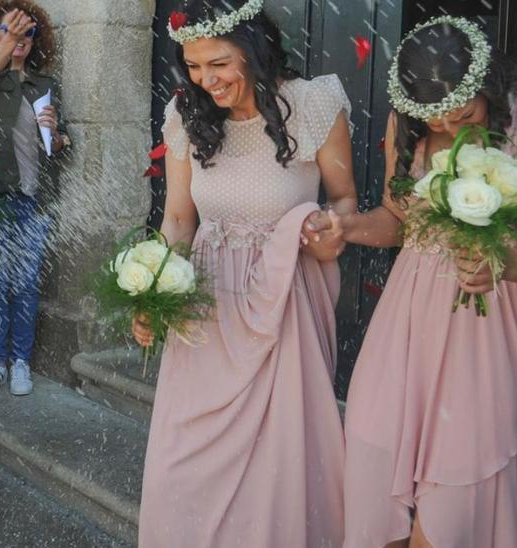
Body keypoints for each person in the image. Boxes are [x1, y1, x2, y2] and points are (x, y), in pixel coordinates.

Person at [330, 16, 517, 548]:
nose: (447, 125)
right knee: (373, 450)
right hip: (405, 323)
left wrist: (502, 264)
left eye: (462, 112)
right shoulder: (409, 124)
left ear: (488, 84)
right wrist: (348, 227)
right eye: (434, 118)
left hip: (489, 324)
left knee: (458, 483)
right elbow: (398, 220)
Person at [133, 0, 356, 544]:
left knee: (275, 460)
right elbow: (179, 219)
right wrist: (152, 292)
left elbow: (347, 199)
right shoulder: (186, 115)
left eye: (219, 64)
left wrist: (332, 227)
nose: (205, 80)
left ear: (254, 51)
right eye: (193, 66)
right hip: (206, 309)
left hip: (283, 308)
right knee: (185, 460)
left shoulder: (312, 104)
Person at [0, 0, 71, 398]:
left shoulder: (44, 85)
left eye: (26, 33)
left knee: (25, 284)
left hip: (33, 200)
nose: (19, 39)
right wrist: (5, 43)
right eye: (9, 31)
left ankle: (21, 361)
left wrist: (57, 134)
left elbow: (58, 145)